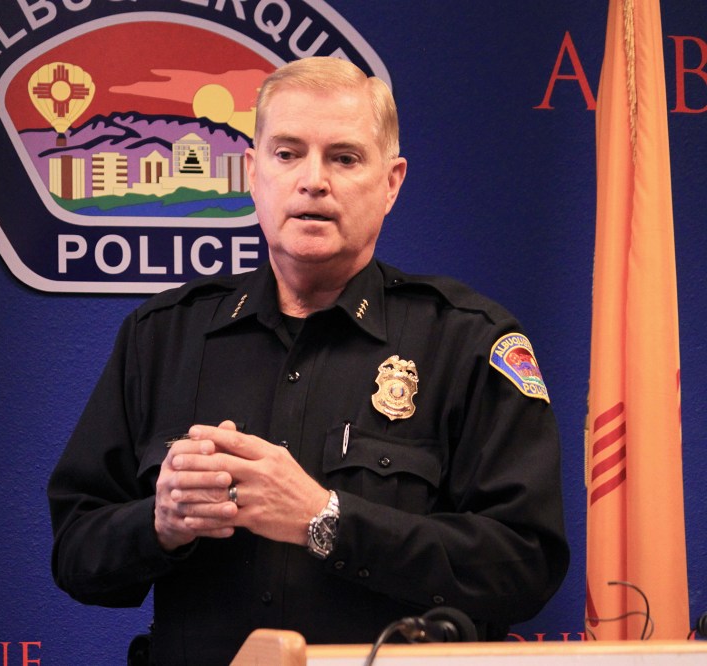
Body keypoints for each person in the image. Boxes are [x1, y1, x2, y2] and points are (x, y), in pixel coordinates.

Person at [48, 56, 569, 664]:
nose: (312, 180)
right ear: (253, 172)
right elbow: (75, 554)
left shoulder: (466, 341)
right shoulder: (162, 337)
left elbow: (525, 565)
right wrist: (160, 523)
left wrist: (327, 520)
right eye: (287, 153)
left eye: (344, 158)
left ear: (392, 183)